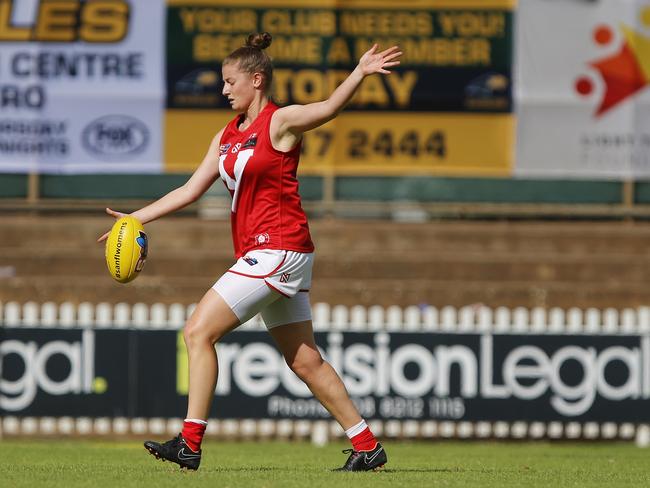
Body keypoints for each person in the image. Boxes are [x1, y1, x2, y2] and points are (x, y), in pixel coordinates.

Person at [98, 32, 401, 472]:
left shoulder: (280, 122)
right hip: (271, 254)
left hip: (277, 249)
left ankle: (190, 442)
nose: (223, 90)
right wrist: (135, 218)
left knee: (198, 332)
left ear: (256, 80)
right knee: (305, 360)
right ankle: (367, 445)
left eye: (228, 81)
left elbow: (328, 108)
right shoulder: (224, 136)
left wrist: (359, 72)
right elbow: (189, 189)